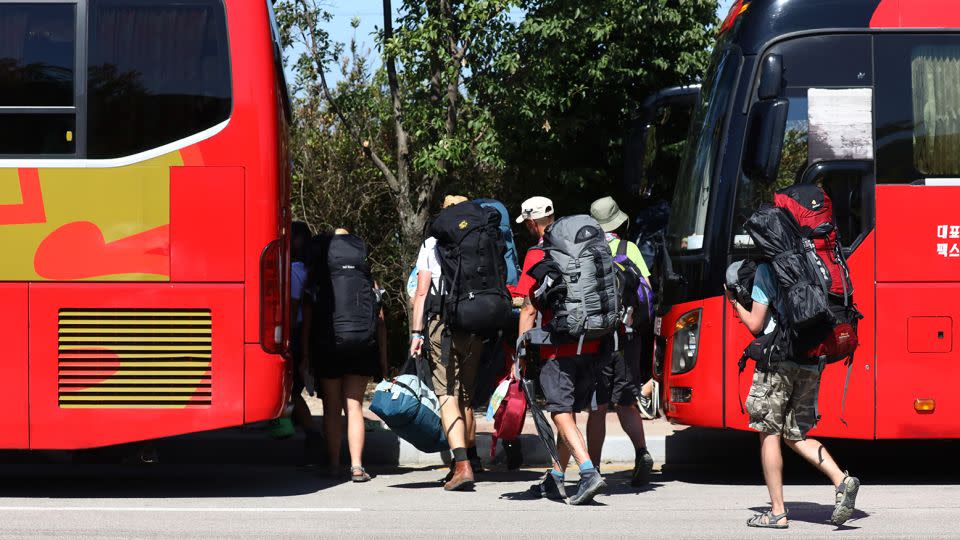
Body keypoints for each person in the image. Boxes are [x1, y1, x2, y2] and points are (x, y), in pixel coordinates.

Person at [730, 263, 860, 528]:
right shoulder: (815, 262)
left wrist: (735, 304)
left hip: (778, 360)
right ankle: (842, 480)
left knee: (769, 432)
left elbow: (756, 323)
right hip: (812, 359)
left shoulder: (767, 270)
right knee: (795, 434)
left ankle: (777, 513)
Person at [516, 196, 605, 506]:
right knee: (568, 412)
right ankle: (556, 478)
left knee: (559, 412)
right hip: (592, 340)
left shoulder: (538, 253)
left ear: (531, 222)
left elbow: (529, 306)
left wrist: (522, 348)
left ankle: (588, 472)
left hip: (559, 343)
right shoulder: (581, 243)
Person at [409, 195, 483, 491]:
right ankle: (470, 459)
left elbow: (422, 291)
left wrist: (416, 333)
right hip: (476, 321)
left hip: (443, 321)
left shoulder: (432, 243)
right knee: (465, 394)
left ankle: (462, 465)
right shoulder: (480, 239)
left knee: (446, 393)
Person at [302, 228, 389, 482]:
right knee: (354, 407)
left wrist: (305, 356)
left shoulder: (318, 275)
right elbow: (380, 320)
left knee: (331, 408)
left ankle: (332, 465)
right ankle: (357, 467)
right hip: (362, 344)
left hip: (329, 345)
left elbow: (307, 320)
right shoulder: (365, 276)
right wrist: (384, 365)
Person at [587, 196, 655, 486]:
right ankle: (641, 453)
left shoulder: (587, 252)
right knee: (626, 402)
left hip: (596, 340)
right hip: (628, 337)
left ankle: (595, 470)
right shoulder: (630, 249)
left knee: (598, 407)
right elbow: (648, 290)